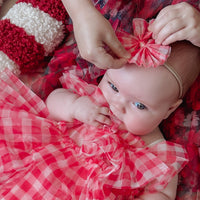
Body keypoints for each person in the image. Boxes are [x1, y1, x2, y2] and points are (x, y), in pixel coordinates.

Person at [0, 19, 199, 198]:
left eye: (140, 105)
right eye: (113, 86)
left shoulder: (157, 151)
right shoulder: (91, 100)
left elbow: (163, 192)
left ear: (169, 109)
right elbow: (50, 105)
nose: (117, 104)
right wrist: (74, 106)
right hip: (40, 171)